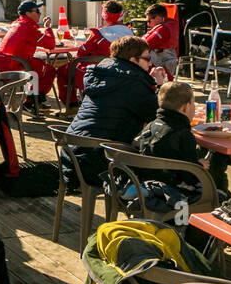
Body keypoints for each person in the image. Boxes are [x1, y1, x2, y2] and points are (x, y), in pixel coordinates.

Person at [64, 36, 169, 186]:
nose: (151, 63)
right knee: (161, 151)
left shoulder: (104, 74)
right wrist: (159, 86)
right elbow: (160, 116)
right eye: (147, 58)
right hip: (100, 165)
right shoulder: (133, 84)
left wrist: (147, 81)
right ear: (133, 60)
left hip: (72, 158)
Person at [135, 81, 208, 193]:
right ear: (185, 107)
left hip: (147, 187)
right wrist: (199, 166)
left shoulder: (150, 126)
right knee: (218, 187)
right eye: (193, 104)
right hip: (175, 193)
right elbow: (190, 176)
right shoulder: (182, 134)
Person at [54, 1, 132, 106]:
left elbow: (81, 53)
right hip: (122, 74)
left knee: (63, 71)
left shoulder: (99, 33)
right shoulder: (130, 33)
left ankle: (71, 105)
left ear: (104, 15)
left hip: (94, 73)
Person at [0, 0, 57, 110]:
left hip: (7, 62)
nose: (39, 13)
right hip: (16, 64)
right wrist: (48, 28)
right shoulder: (28, 27)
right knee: (49, 71)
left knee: (40, 66)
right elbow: (50, 44)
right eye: (37, 11)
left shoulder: (17, 23)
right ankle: (32, 102)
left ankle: (34, 101)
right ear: (28, 14)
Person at [143, 3, 180, 77]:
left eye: (149, 21)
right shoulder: (169, 25)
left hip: (161, 65)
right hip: (164, 64)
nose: (148, 24)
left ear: (157, 18)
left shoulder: (163, 29)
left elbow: (146, 44)